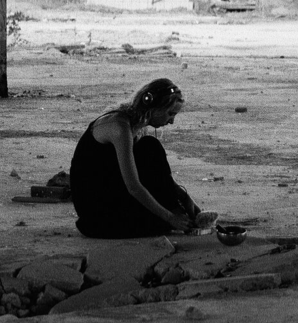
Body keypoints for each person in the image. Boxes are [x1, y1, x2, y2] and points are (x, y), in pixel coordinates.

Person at [70, 78, 211, 238]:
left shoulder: (137, 125)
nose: (171, 121)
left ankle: (173, 211)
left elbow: (154, 174)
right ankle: (169, 215)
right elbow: (133, 187)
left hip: (112, 195)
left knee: (149, 147)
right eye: (170, 114)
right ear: (154, 107)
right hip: (96, 215)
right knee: (159, 222)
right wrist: (170, 218)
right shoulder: (119, 127)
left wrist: (184, 198)